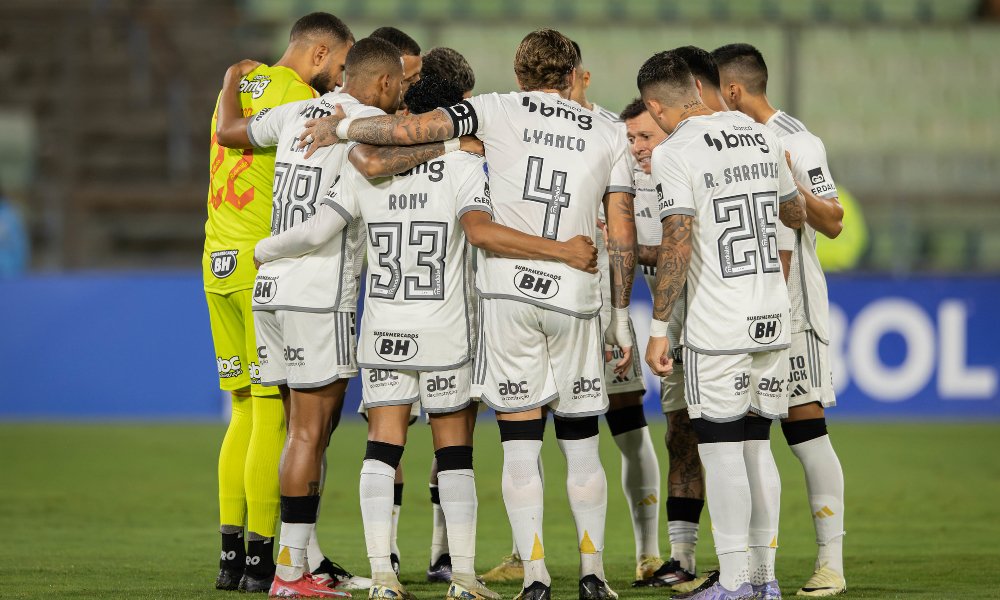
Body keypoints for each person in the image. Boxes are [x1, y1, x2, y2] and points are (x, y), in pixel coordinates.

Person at [295, 28, 637, 600]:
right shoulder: (609, 129)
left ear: (519, 71)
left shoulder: (491, 111)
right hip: (574, 296)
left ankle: (533, 577)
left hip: (502, 299)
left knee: (517, 443)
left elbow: (402, 136)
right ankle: (593, 575)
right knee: (581, 441)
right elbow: (621, 233)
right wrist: (621, 314)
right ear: (573, 73)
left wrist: (342, 125)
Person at [214, 36, 442, 598]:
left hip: (270, 295)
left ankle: (306, 560)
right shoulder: (363, 124)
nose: (404, 96)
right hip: (317, 293)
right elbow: (366, 180)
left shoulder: (295, 112)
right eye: (403, 86)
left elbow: (229, 134)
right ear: (385, 82)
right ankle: (290, 576)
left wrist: (228, 84)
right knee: (309, 435)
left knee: (301, 432)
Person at [640, 50, 805, 600]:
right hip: (771, 314)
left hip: (719, 323)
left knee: (720, 448)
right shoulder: (758, 133)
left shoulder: (674, 151)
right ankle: (765, 578)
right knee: (758, 446)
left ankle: (734, 582)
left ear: (655, 105)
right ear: (699, 86)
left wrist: (659, 324)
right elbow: (793, 211)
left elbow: (677, 241)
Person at [204, 12, 353, 593]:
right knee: (272, 412)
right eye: (339, 66)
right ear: (318, 55)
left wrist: (227, 80)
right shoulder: (298, 97)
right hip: (260, 264)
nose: (338, 80)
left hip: (216, 258)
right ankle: (265, 560)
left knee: (242, 410)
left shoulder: (235, 92)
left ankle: (230, 556)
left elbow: (226, 139)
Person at [713, 42, 848, 597]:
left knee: (806, 431)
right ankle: (745, 571)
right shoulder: (731, 142)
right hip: (744, 310)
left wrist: (792, 186)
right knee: (745, 439)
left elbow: (833, 220)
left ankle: (830, 564)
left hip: (793, 310)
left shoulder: (796, 139)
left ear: (733, 91)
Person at [568, 39, 663, 585]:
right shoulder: (520, 127)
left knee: (627, 428)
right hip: (551, 303)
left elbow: (634, 229)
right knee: (529, 430)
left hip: (604, 307)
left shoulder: (611, 134)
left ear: (581, 76)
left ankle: (647, 551)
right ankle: (521, 550)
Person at [618, 98, 704, 593]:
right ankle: (682, 559)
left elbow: (687, 249)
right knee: (679, 436)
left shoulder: (691, 170)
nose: (636, 148)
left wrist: (625, 248)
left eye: (644, 137)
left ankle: (754, 561)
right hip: (672, 328)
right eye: (630, 139)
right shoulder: (627, 184)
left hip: (716, 327)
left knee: (737, 443)